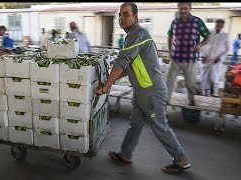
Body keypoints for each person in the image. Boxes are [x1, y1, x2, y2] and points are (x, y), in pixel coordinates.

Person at [95, 2, 191, 174]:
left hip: (151, 93)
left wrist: (106, 87)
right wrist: (110, 80)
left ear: (135, 17)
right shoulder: (134, 35)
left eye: (126, 14)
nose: (121, 18)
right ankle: (125, 154)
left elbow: (122, 61)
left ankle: (181, 159)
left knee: (159, 125)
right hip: (142, 92)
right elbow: (127, 67)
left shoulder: (137, 34)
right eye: (120, 15)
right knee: (135, 124)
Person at [166, 2, 210, 106]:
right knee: (169, 81)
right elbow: (170, 35)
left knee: (190, 84)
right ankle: (165, 101)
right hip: (176, 58)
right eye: (181, 9)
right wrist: (170, 50)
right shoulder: (175, 22)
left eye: (186, 8)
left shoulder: (197, 21)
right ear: (178, 9)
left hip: (191, 59)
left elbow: (208, 37)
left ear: (190, 9)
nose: (183, 11)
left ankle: (191, 100)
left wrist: (200, 45)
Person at [199, 19, 229, 97]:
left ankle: (213, 92)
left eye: (220, 26)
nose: (218, 27)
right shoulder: (209, 32)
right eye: (217, 25)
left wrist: (220, 58)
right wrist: (202, 55)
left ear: (223, 26)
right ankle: (204, 92)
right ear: (215, 24)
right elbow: (202, 44)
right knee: (205, 75)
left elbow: (227, 48)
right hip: (207, 57)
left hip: (217, 59)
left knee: (214, 76)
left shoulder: (225, 35)